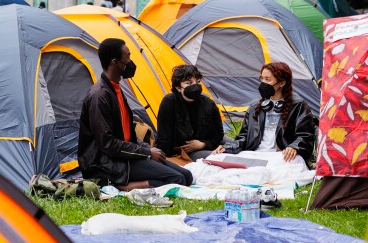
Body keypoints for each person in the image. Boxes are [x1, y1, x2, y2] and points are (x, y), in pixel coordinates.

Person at [78, 38, 192, 190]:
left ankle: (129, 180)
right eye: (127, 56)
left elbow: (126, 135)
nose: (130, 61)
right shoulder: (99, 96)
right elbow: (107, 144)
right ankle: (121, 186)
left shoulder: (116, 88)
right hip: (105, 163)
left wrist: (146, 150)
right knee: (176, 179)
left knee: (187, 176)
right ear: (115, 62)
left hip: (125, 156)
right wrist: (146, 152)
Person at [211, 62, 314, 164]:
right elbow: (244, 137)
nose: (263, 83)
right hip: (255, 154)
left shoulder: (298, 105)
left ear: (282, 83)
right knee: (218, 158)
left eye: (267, 79)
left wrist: (293, 147)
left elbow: (305, 135)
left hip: (281, 155)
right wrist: (227, 147)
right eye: (262, 78)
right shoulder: (255, 106)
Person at [155, 65, 223, 161]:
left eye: (198, 82)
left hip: (204, 143)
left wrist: (203, 144)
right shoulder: (170, 102)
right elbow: (164, 138)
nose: (195, 86)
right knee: (218, 158)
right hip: (184, 152)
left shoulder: (208, 103)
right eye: (189, 83)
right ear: (178, 88)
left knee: (234, 146)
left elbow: (219, 133)